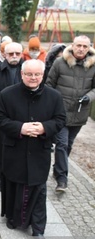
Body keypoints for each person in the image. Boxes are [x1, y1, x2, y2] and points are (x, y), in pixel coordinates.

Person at [0, 59, 66, 237]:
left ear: (43, 75)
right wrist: (20, 128)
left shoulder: (54, 96)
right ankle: (13, 218)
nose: (33, 78)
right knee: (14, 184)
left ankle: (38, 226)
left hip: (40, 150)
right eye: (29, 74)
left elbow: (61, 119)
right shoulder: (7, 94)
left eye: (37, 74)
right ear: (22, 74)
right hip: (15, 149)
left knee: (38, 188)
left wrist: (44, 128)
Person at [46, 35, 95, 192]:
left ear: (89, 48)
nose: (81, 49)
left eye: (85, 46)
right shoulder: (60, 63)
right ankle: (62, 179)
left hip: (80, 113)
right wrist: (53, 104)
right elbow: (49, 85)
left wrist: (89, 97)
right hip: (61, 112)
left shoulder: (93, 65)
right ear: (72, 46)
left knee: (69, 145)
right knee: (61, 143)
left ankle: (57, 168)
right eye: (78, 45)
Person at [0, 42, 24, 191]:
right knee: (0, 149)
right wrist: (7, 108)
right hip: (1, 116)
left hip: (22, 116)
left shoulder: (26, 69)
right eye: (11, 54)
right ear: (4, 54)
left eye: (17, 53)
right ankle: (1, 176)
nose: (14, 56)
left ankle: (16, 175)